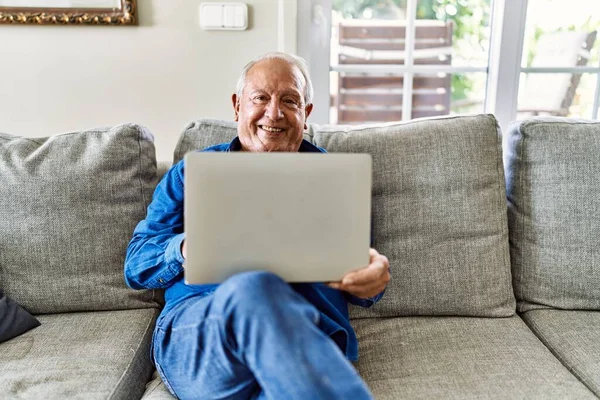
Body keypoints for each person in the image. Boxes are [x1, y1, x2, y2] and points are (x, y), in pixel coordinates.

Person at [124, 52, 391, 400]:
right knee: (255, 287)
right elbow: (136, 265)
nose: (274, 112)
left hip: (305, 342)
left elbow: (358, 268)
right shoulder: (191, 173)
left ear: (306, 114)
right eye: (260, 98)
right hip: (203, 336)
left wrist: (373, 279)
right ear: (237, 106)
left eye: (290, 100)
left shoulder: (337, 178)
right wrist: (187, 247)